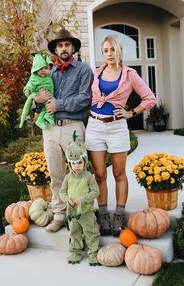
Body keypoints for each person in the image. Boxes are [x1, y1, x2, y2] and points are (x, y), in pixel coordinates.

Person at [85, 34, 156, 237]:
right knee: (99, 174)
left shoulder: (130, 74)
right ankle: (104, 214)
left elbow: (150, 98)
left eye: (112, 49)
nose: (109, 53)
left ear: (119, 51)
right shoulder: (96, 74)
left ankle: (119, 215)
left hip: (117, 128)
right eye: (105, 50)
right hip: (95, 126)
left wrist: (131, 113)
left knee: (119, 174)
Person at [34, 29, 94, 232]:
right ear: (55, 50)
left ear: (73, 48)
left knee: (79, 173)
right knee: (56, 174)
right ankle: (59, 215)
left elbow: (85, 98)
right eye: (60, 45)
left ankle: (81, 215)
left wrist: (58, 104)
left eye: (67, 45)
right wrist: (37, 100)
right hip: (50, 130)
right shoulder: (48, 73)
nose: (64, 48)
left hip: (73, 127)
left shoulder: (83, 70)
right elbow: (36, 100)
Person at [59, 131, 100, 266]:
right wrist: (67, 199)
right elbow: (62, 192)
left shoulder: (88, 176)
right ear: (69, 164)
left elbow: (95, 191)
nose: (77, 165)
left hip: (86, 211)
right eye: (73, 163)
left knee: (90, 231)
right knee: (74, 232)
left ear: (84, 161)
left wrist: (83, 199)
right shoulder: (68, 178)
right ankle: (76, 251)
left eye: (79, 162)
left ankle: (94, 252)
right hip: (72, 212)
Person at [19, 52, 55, 130]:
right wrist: (27, 90)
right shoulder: (35, 77)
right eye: (40, 69)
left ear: (49, 68)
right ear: (35, 69)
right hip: (40, 95)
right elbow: (30, 84)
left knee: (50, 105)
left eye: (46, 68)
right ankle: (40, 120)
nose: (43, 71)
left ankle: (46, 118)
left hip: (49, 96)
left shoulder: (49, 76)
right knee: (45, 108)